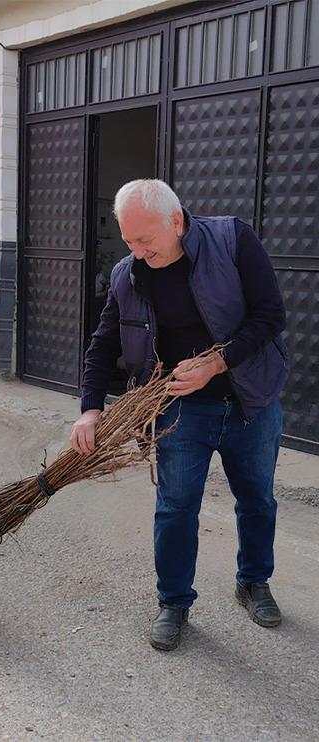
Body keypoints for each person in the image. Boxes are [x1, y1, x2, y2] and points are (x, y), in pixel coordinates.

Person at [70, 179, 288, 652]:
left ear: (176, 220)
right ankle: (173, 601)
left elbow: (271, 315)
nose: (138, 250)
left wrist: (217, 361)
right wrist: (90, 409)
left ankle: (253, 581)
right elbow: (103, 343)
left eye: (145, 240)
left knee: (257, 500)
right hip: (178, 410)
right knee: (175, 507)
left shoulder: (231, 239)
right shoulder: (128, 273)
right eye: (129, 241)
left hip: (249, 399)